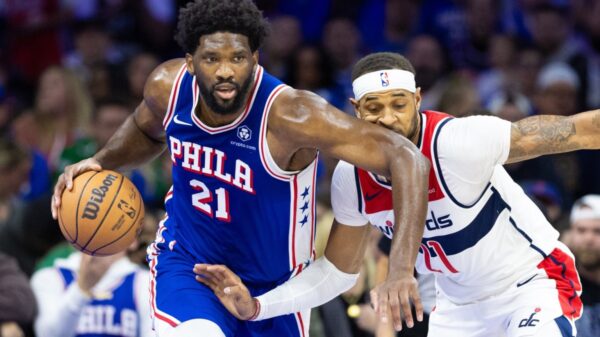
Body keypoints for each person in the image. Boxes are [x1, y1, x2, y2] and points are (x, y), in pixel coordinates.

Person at [50, 2, 430, 336]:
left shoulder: (293, 115)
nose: (225, 71)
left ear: (256, 59)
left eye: (238, 58)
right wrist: (101, 161)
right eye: (212, 59)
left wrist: (400, 268)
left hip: (275, 289)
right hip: (189, 266)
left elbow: (406, 158)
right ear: (190, 61)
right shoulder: (169, 87)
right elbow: (145, 130)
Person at [195, 52, 600, 337]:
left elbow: (579, 130)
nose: (387, 118)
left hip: (530, 284)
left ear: (418, 101)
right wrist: (259, 305)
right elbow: (338, 273)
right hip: (457, 307)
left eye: (399, 105)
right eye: (374, 107)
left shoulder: (460, 142)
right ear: (355, 109)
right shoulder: (351, 179)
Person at [31, 245, 153, 337]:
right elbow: (47, 334)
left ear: (133, 240)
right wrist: (81, 289)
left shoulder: (147, 282)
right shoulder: (49, 277)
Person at [564, 195, 600, 337]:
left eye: (597, 231)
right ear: (570, 234)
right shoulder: (558, 287)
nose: (588, 239)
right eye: (581, 230)